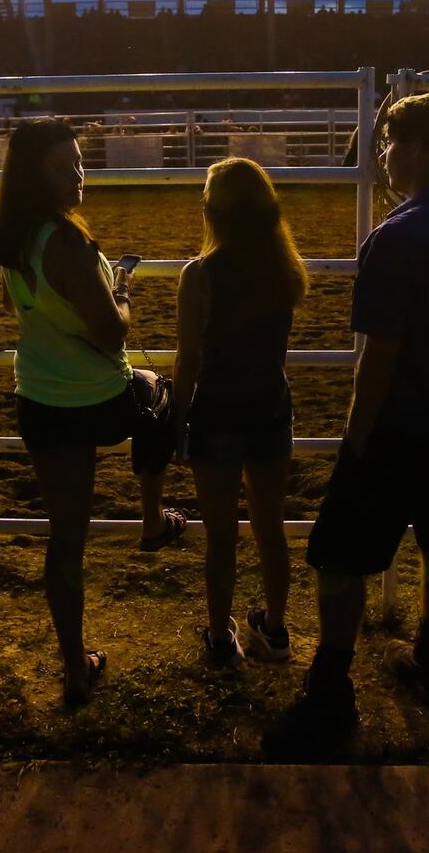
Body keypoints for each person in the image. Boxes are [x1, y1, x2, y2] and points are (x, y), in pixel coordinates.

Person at [264, 94, 429, 756]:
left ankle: (331, 691)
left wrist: (355, 437)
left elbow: (380, 355)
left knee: (337, 556)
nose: (385, 153)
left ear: (418, 149)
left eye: (392, 140)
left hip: (397, 422)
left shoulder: (395, 238)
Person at [0, 118, 184, 707]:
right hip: (95, 401)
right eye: (62, 166)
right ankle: (152, 518)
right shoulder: (66, 241)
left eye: (78, 161)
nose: (77, 173)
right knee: (159, 394)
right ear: (35, 176)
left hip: (41, 401)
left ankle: (75, 666)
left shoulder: (13, 238)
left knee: (65, 540)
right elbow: (111, 334)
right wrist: (121, 289)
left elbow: (26, 307)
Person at [171, 158, 306, 666]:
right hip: (270, 405)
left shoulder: (200, 275)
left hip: (217, 412)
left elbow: (189, 359)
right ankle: (274, 628)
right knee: (271, 526)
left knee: (221, 534)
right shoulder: (282, 270)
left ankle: (219, 635)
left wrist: (178, 418)